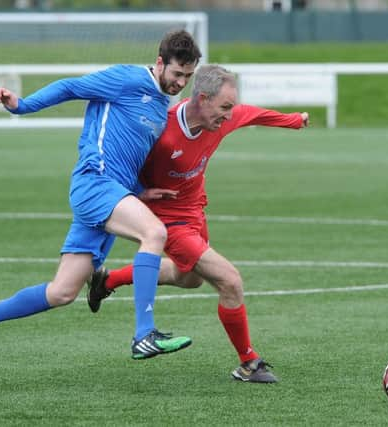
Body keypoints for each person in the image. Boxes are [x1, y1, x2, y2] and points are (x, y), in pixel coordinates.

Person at [0, 30, 202, 368]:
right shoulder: (127, 79)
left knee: (62, 292)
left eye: (188, 76)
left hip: (114, 193)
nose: (181, 82)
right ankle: (144, 333)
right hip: (95, 184)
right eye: (176, 74)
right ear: (160, 63)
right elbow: (70, 86)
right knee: (154, 233)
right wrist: (21, 106)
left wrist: (141, 191)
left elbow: (128, 149)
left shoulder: (159, 103)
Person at [86, 64, 309, 383]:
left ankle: (107, 282)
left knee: (188, 278)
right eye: (224, 107)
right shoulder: (160, 130)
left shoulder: (222, 119)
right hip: (167, 220)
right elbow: (123, 164)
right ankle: (249, 362)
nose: (230, 115)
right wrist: (138, 193)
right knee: (230, 281)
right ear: (202, 99)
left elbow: (254, 114)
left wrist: (294, 121)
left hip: (195, 212)